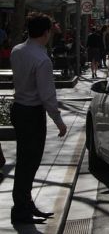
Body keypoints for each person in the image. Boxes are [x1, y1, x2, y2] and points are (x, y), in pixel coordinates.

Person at [10, 12, 67, 224]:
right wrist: (59, 121)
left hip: (18, 108)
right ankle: (21, 209)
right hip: (32, 113)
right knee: (29, 162)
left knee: (24, 160)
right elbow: (47, 95)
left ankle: (25, 203)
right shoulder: (42, 59)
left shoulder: (17, 51)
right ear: (46, 33)